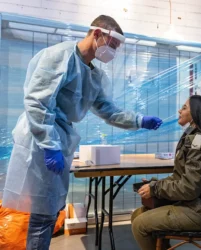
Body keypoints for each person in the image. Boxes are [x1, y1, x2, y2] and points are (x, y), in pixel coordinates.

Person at [2, 15, 162, 250]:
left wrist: (140, 120)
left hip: (59, 140)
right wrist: (49, 144)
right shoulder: (60, 56)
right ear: (96, 34)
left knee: (49, 210)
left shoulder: (94, 75)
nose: (113, 53)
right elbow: (37, 102)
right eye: (112, 45)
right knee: (43, 213)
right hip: (40, 140)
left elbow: (108, 110)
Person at [131, 95, 201, 250]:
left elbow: (189, 188)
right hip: (196, 205)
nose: (179, 110)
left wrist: (155, 189)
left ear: (196, 113)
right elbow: (181, 178)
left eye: (185, 108)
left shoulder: (200, 144)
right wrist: (155, 185)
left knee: (140, 224)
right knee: (138, 214)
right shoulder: (196, 137)